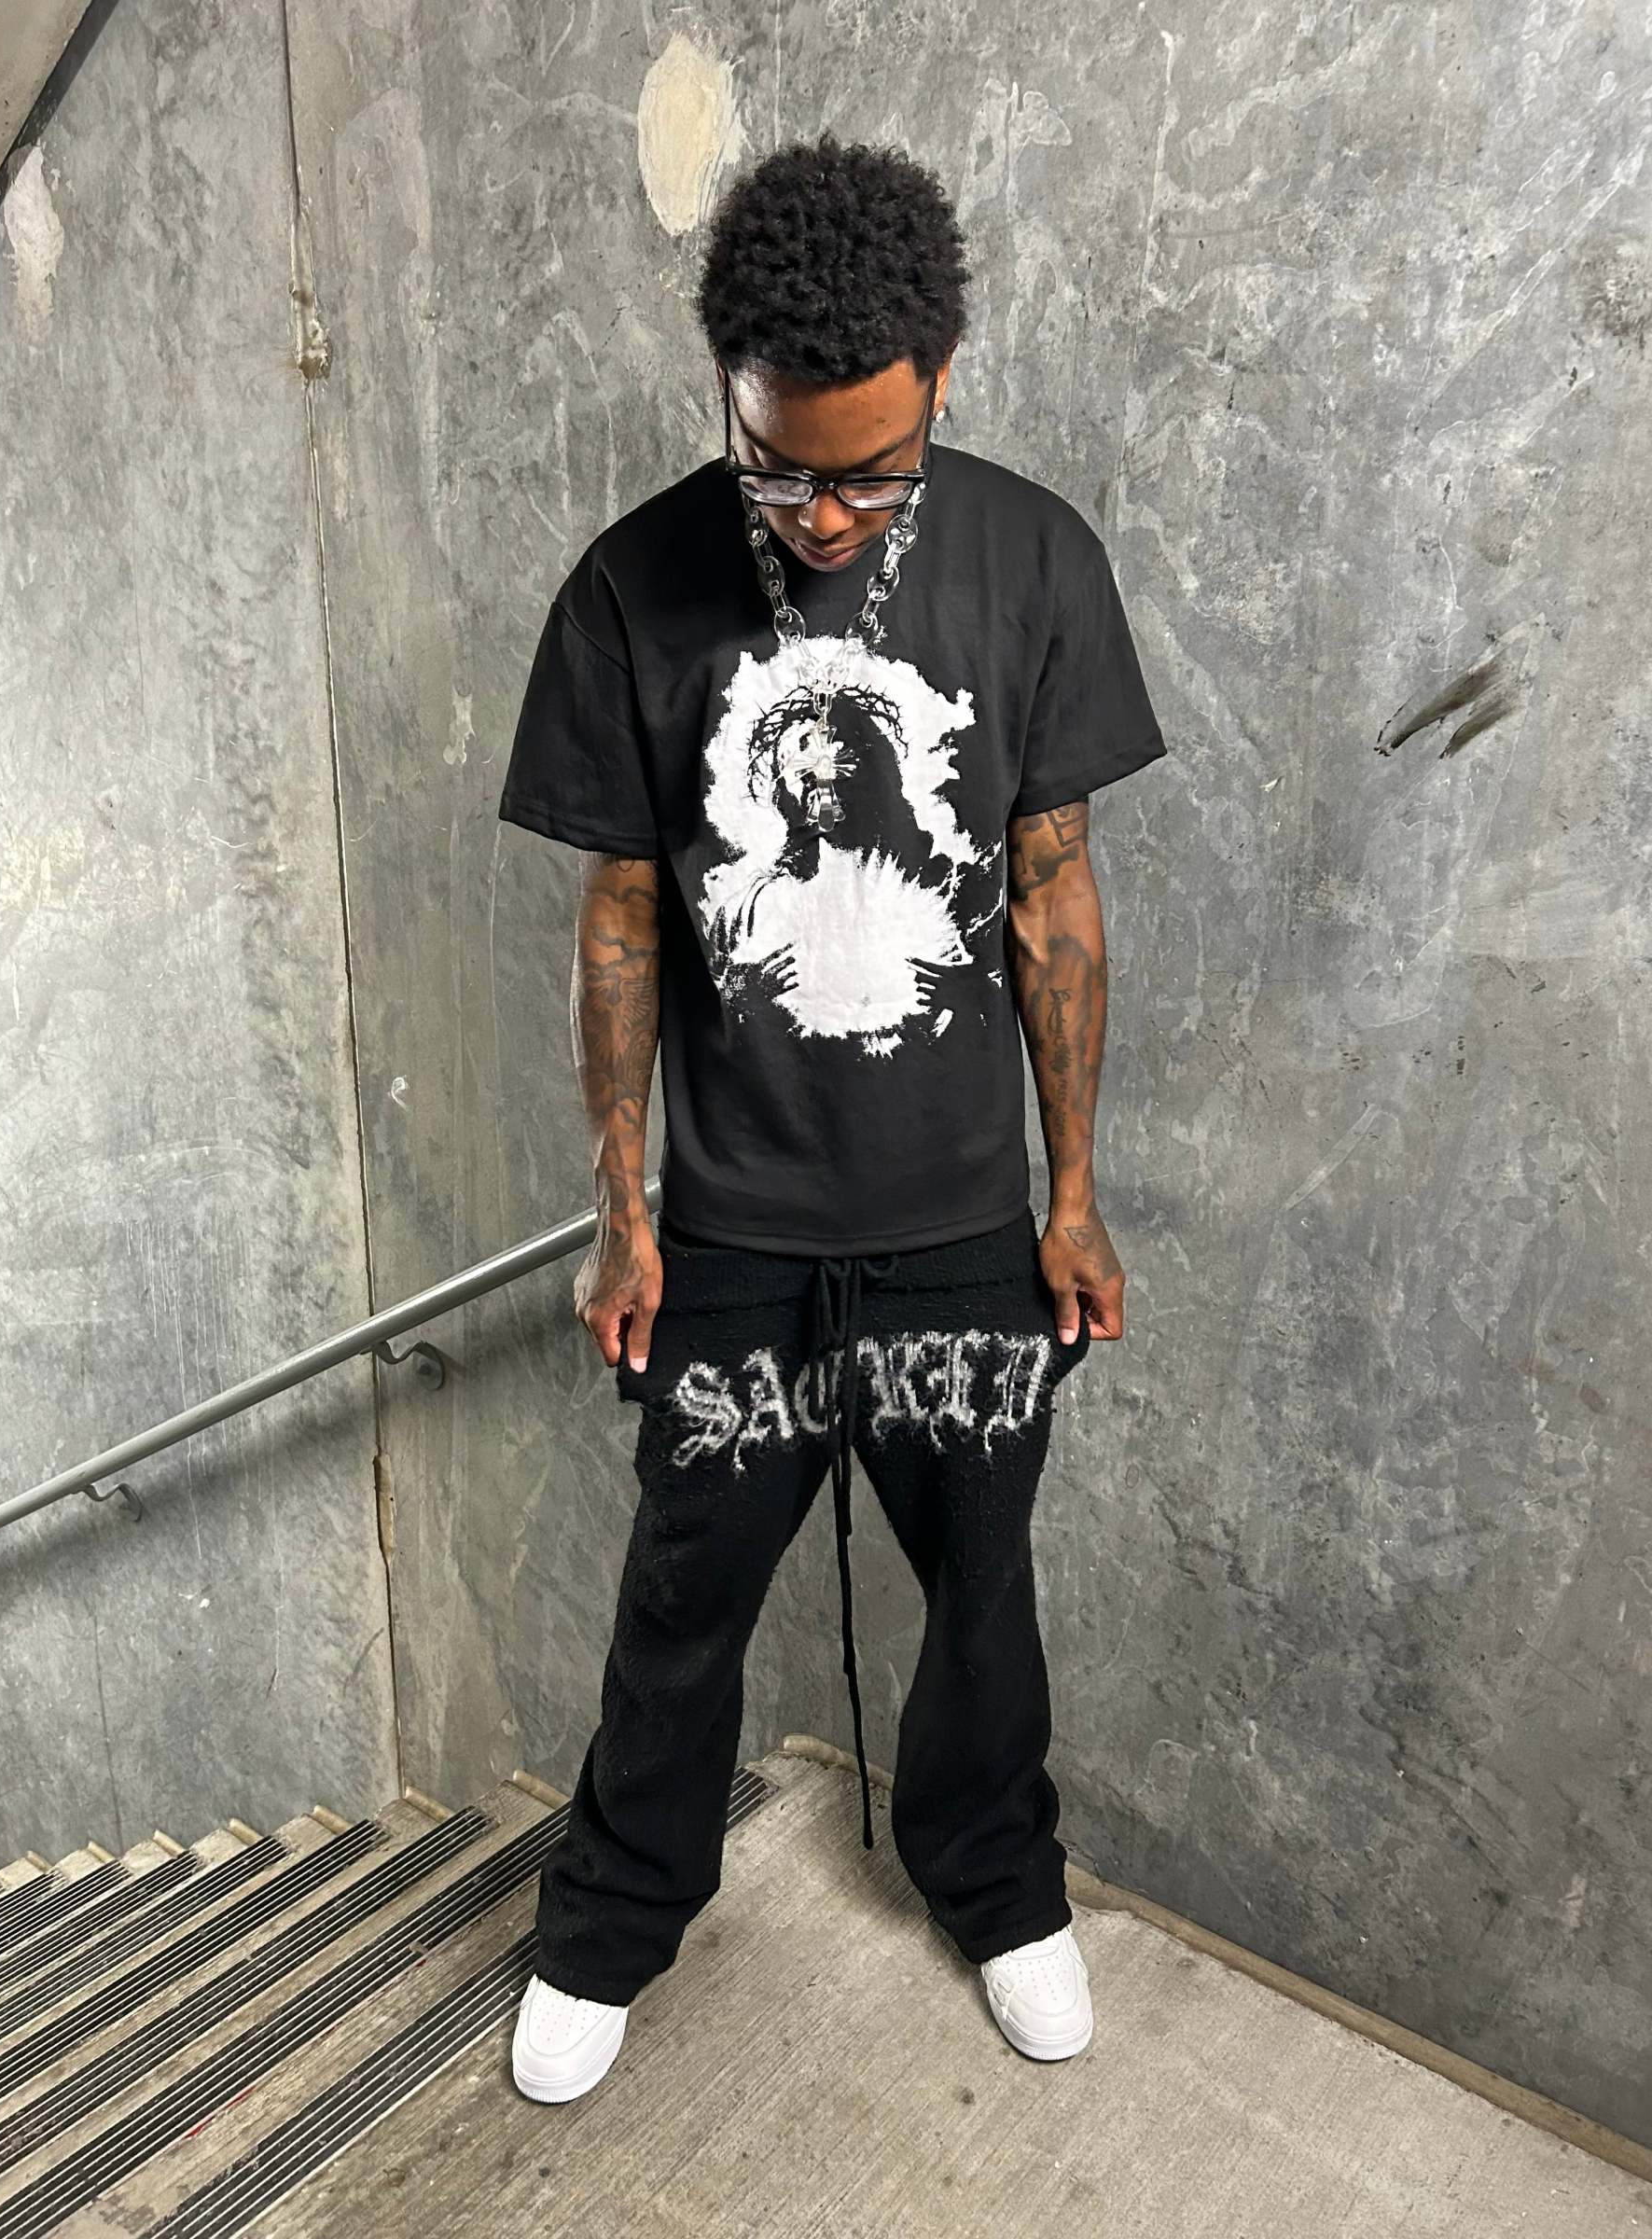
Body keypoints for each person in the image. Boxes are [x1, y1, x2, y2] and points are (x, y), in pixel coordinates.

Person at [496, 131, 1167, 2104]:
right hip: (732, 1230)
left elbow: (1052, 896)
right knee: (680, 1607)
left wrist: (1073, 1196)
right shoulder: (633, 587)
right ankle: (611, 1923)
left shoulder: (1032, 560)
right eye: (780, 467)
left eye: (874, 472)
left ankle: (1003, 1888)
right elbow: (623, 918)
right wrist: (623, 1207)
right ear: (728, 393)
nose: (825, 515)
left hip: (960, 1224)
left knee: (986, 1604)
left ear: (942, 382)